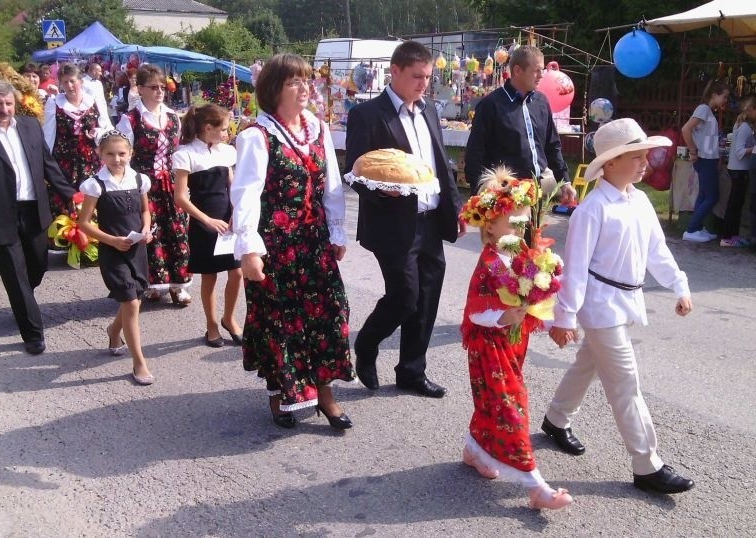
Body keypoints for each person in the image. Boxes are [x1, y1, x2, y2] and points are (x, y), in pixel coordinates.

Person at [543, 118, 696, 495]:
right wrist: (563, 317)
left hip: (624, 300)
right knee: (626, 382)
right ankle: (647, 464)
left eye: (645, 154)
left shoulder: (639, 200)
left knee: (588, 363)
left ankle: (556, 418)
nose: (646, 161)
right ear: (609, 163)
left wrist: (679, 285)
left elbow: (657, 252)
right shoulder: (591, 210)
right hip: (599, 307)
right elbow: (575, 270)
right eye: (636, 155)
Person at [232, 53, 355, 429]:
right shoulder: (257, 135)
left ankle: (325, 392)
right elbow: (246, 195)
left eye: (306, 81)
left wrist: (335, 230)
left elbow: (331, 186)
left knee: (330, 315)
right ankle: (279, 391)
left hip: (313, 242)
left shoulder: (317, 127)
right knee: (280, 321)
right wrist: (249, 249)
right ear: (274, 89)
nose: (304, 89)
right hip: (276, 247)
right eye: (294, 82)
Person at [344, 41, 464, 398]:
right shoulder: (368, 115)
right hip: (392, 224)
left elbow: (442, 165)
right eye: (416, 76)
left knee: (427, 299)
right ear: (394, 72)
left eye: (427, 76)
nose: (423, 83)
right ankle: (366, 344)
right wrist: (383, 192)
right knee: (405, 297)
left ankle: (412, 371)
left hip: (430, 219)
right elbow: (355, 172)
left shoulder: (428, 112)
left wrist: (455, 210)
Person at [460, 171, 573, 510]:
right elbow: (475, 309)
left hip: (513, 343)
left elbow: (535, 296)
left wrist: (555, 318)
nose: (519, 231)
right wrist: (501, 317)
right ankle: (535, 485)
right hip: (489, 346)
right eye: (512, 223)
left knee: (493, 401)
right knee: (511, 405)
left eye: (523, 224)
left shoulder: (522, 254)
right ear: (490, 225)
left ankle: (473, 449)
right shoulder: (491, 262)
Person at [0, 81, 76, 354]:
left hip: (34, 210)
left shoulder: (30, 127)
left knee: (37, 266)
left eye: (9, 103)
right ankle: (33, 333)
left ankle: (24, 302)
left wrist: (71, 195)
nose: (4, 108)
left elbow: (49, 165)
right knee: (15, 276)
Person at [77, 131, 155, 385]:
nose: (117, 159)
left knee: (135, 299)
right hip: (112, 251)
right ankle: (139, 362)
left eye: (122, 153)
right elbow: (84, 223)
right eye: (110, 154)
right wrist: (112, 241)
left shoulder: (139, 179)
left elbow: (145, 210)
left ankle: (114, 331)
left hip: (136, 248)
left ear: (130, 153)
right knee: (131, 302)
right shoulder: (95, 185)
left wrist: (145, 230)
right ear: (100, 155)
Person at [118, 65, 192, 306]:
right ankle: (154, 284)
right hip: (145, 185)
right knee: (151, 234)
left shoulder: (172, 117)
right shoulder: (130, 120)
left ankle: (178, 285)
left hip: (170, 185)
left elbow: (179, 152)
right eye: (153, 87)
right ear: (140, 89)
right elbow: (123, 156)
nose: (160, 91)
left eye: (162, 87)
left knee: (177, 231)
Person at [173, 104, 243, 347]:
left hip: (227, 220)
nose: (227, 133)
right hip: (204, 222)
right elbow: (180, 198)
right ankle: (211, 325)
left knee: (237, 271)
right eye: (223, 129)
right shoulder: (186, 154)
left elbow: (231, 184)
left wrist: (236, 212)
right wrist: (207, 220)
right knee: (210, 276)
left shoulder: (226, 152)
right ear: (208, 128)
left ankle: (229, 318)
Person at [465, 45, 574, 199]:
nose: (541, 75)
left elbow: (552, 145)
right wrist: (479, 195)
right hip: (503, 194)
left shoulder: (541, 102)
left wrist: (565, 181)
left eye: (542, 70)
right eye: (536, 70)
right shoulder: (491, 105)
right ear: (517, 71)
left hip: (535, 190)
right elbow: (475, 153)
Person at [44, 63, 112, 216]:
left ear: (81, 81)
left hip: (91, 160)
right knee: (67, 205)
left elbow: (107, 128)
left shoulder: (93, 101)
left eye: (72, 81)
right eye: (65, 82)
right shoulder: (54, 103)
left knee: (94, 201)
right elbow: (48, 135)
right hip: (64, 162)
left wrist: (98, 132)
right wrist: (46, 165)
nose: (69, 85)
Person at [681, 80, 730, 242]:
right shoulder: (703, 109)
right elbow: (686, 129)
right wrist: (694, 151)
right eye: (724, 97)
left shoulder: (708, 111)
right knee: (712, 196)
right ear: (714, 95)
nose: (725, 101)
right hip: (705, 159)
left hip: (708, 159)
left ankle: (695, 228)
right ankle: (691, 230)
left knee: (704, 195)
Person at [721, 94, 755, 247]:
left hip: (736, 169)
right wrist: (753, 149)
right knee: (735, 204)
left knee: (736, 203)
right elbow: (740, 152)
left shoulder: (739, 125)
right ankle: (727, 237)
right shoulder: (745, 128)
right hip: (739, 170)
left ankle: (731, 236)